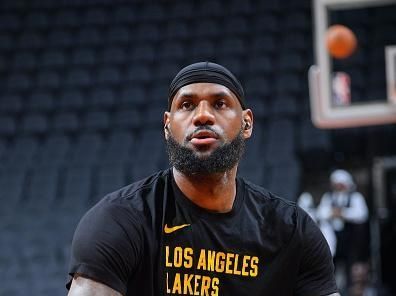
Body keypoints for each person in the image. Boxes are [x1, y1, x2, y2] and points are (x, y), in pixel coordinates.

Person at [66, 62, 339, 296]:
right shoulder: (119, 221)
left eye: (220, 104)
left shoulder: (292, 231)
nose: (203, 115)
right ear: (167, 126)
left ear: (246, 123)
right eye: (187, 105)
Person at [316, 169, 369, 292]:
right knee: (331, 268)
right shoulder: (328, 197)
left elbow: (361, 214)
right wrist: (332, 213)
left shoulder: (355, 197)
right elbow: (321, 213)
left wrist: (343, 213)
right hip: (333, 240)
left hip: (352, 241)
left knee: (352, 270)